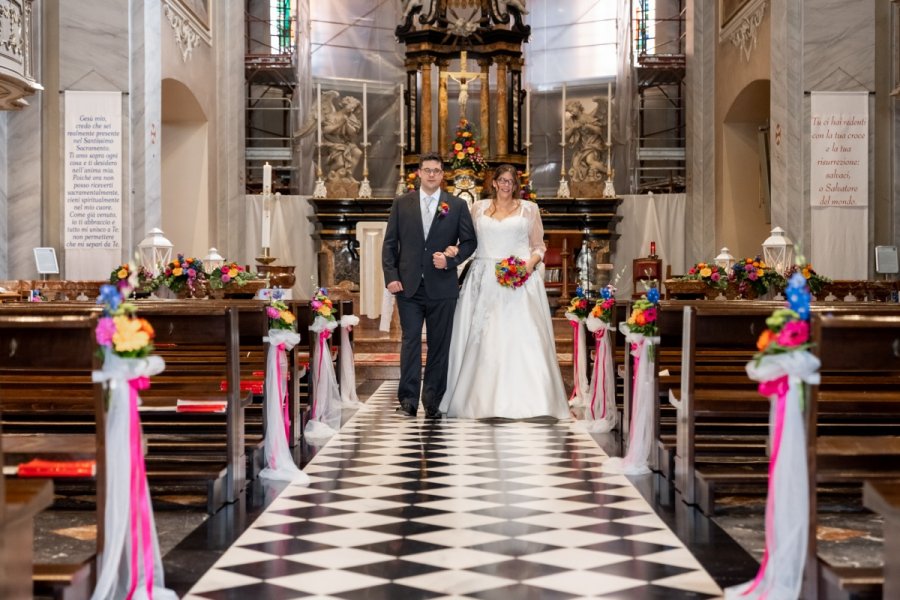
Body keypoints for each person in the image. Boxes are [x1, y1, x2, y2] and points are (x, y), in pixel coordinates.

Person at [439, 164, 570, 420]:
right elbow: (468, 241)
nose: (506, 185)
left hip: (519, 280)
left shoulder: (529, 209)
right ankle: (480, 401)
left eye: (511, 181)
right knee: (485, 338)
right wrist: (454, 250)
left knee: (522, 338)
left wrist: (527, 267)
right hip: (483, 279)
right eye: (502, 180)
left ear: (515, 185)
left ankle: (534, 400)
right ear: (495, 183)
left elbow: (538, 246)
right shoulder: (477, 208)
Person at [382, 152, 477, 418]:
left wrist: (450, 259)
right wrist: (391, 276)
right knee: (410, 341)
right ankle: (409, 401)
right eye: (427, 170)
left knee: (439, 345)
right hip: (408, 287)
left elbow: (470, 242)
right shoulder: (402, 204)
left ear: (442, 175)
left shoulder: (456, 205)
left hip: (442, 287)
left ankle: (433, 401)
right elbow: (390, 243)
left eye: (437, 170)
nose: (432, 174)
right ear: (419, 174)